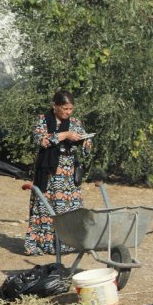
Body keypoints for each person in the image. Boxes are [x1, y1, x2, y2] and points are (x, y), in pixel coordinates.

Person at [25, 90, 92, 256]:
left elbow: (87, 149)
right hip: (48, 173)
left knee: (69, 208)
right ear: (54, 106)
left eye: (70, 109)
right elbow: (42, 140)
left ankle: (69, 244)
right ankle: (45, 243)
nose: (68, 112)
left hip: (68, 174)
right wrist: (65, 135)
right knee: (46, 207)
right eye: (65, 109)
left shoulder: (75, 122)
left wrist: (85, 142)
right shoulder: (43, 120)